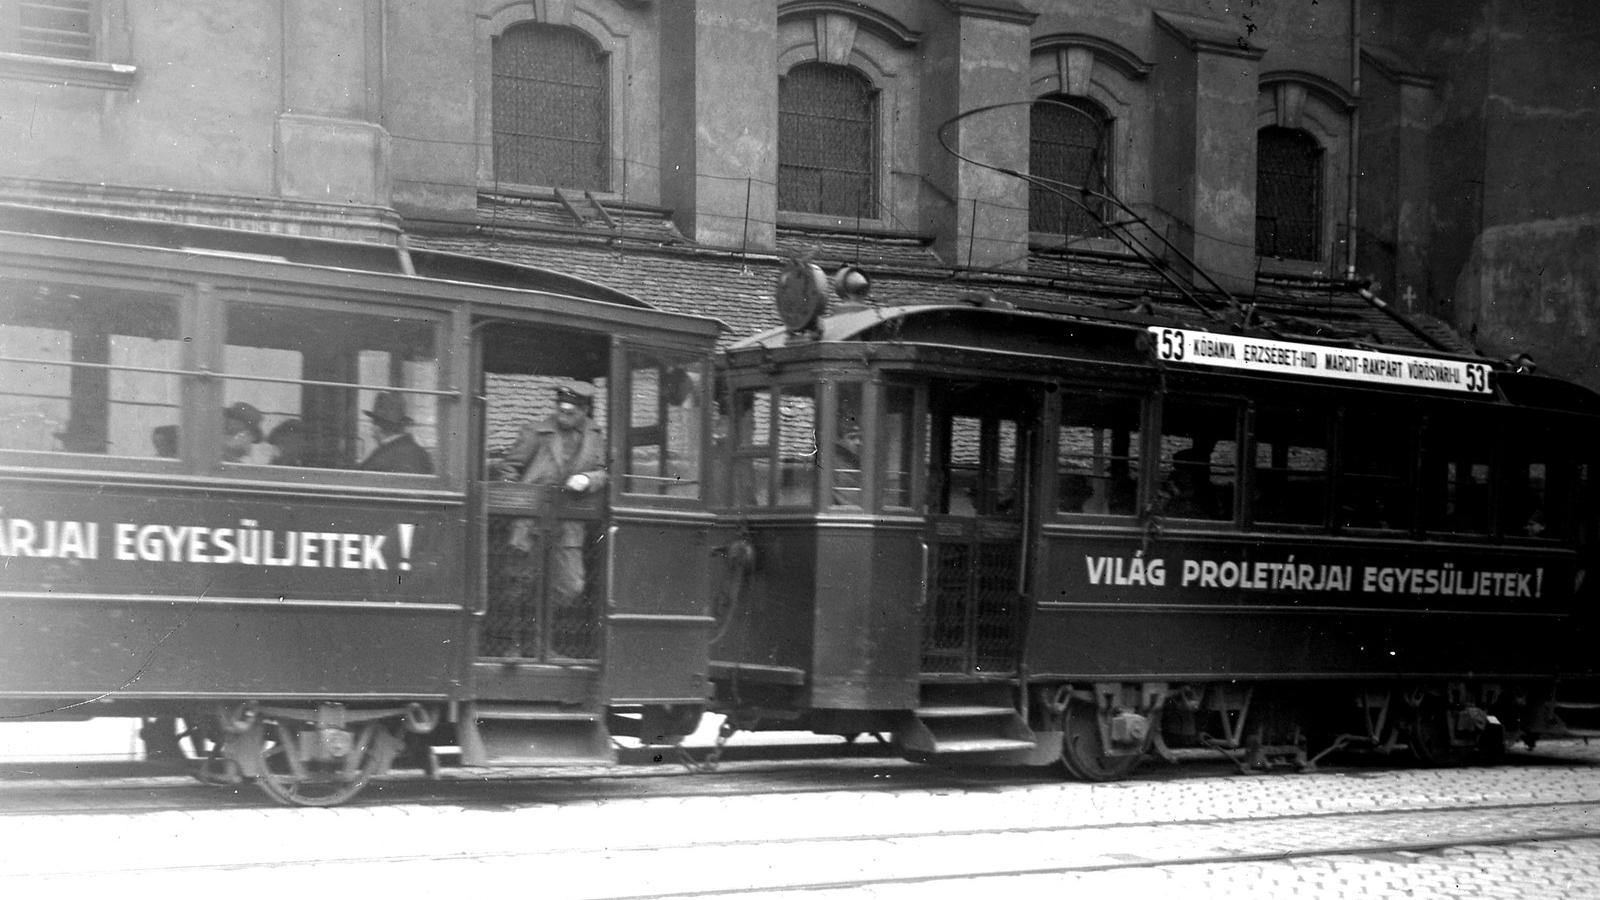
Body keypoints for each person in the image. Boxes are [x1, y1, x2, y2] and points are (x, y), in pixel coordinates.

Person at [494, 383, 608, 609]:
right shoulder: (536, 432)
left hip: (569, 523)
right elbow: (509, 469)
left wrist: (587, 479)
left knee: (570, 586)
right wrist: (517, 503)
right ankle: (518, 641)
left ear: (584, 411)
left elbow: (603, 472)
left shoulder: (595, 436)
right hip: (529, 523)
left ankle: (546, 634)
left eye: (570, 412)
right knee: (519, 584)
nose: (563, 415)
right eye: (560, 409)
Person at [358, 392, 433, 473]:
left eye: (372, 422)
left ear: (377, 427)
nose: (371, 430)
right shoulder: (420, 453)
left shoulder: (380, 458)